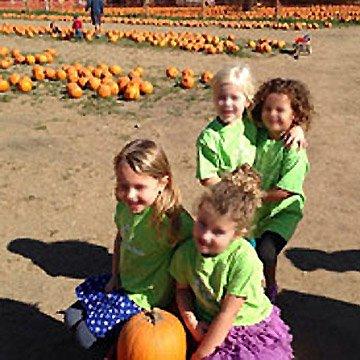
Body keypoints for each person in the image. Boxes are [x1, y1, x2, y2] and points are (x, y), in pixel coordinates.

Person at [64, 139, 193, 349]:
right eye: (124, 186)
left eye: (139, 187)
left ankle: (120, 350)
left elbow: (197, 253)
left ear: (162, 183)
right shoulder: (124, 208)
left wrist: (179, 301)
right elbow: (120, 240)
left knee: (84, 337)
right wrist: (115, 276)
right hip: (123, 283)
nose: (130, 195)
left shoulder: (173, 221)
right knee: (71, 317)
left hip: (145, 299)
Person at [170, 164, 293, 359]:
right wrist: (191, 321)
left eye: (218, 231)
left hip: (245, 327)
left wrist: (200, 355)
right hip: (209, 323)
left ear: (237, 234)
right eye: (201, 223)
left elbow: (228, 314)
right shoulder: (185, 254)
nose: (205, 236)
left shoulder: (243, 260)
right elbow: (182, 289)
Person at [250, 78, 312, 302]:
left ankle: (271, 286)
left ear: (294, 114)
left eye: (280, 110)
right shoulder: (257, 134)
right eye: (267, 108)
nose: (272, 114)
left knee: (266, 251)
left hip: (282, 212)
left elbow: (286, 190)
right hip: (258, 210)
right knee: (247, 250)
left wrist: (254, 197)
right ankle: (250, 286)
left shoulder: (293, 149)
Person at [196, 64, 307, 188]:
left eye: (234, 98)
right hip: (227, 200)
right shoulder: (209, 138)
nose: (227, 103)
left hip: (254, 198)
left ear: (247, 101)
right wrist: (233, 191)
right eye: (221, 97)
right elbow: (207, 178)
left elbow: (279, 122)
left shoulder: (251, 121)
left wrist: (297, 128)